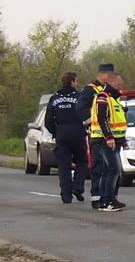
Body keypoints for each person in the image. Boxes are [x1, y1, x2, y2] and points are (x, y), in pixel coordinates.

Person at [81, 63, 127, 211]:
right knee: (112, 169)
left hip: (112, 140)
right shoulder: (103, 97)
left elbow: (116, 122)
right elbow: (102, 119)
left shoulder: (114, 98)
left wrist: (122, 139)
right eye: (119, 84)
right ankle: (107, 201)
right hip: (103, 140)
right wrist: (109, 137)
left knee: (111, 170)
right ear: (111, 82)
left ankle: (109, 199)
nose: (120, 87)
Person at [45, 72, 89, 204]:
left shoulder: (54, 98)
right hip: (77, 131)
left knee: (63, 165)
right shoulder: (79, 97)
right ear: (72, 82)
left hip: (61, 132)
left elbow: (48, 120)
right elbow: (86, 115)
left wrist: (56, 132)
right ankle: (78, 187)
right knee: (82, 161)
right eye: (76, 81)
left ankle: (66, 195)